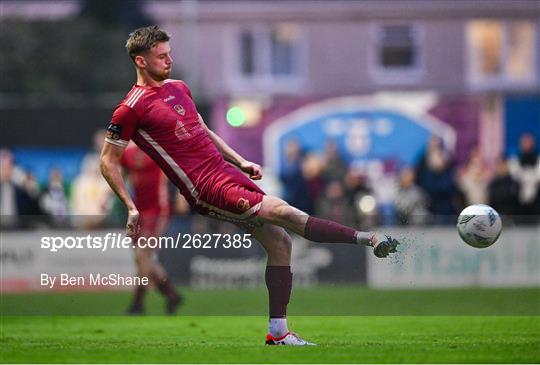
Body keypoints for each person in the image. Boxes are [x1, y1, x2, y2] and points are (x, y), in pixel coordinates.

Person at [100, 25, 399, 346]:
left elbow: (203, 130)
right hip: (204, 188)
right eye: (161, 56)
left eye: (169, 54)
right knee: (283, 212)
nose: (169, 60)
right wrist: (130, 206)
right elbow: (108, 161)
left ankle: (279, 332)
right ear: (141, 61)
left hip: (227, 174)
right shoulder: (131, 107)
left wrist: (239, 160)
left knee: (281, 242)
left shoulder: (178, 88)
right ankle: (369, 239)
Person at [121, 142, 182, 315]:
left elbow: (177, 170)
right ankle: (172, 295)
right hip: (138, 211)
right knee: (143, 260)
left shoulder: (158, 147)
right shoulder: (128, 153)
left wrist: (181, 195)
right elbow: (123, 176)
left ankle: (137, 304)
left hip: (158, 209)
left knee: (143, 255)